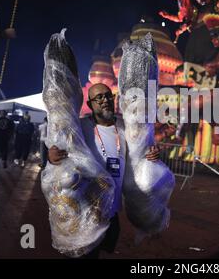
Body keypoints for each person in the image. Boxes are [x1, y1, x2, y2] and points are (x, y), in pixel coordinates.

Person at [48, 83, 160, 258]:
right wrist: (51, 156)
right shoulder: (80, 126)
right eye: (98, 97)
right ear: (89, 103)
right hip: (85, 210)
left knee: (104, 252)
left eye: (108, 95)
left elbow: (140, 152)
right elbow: (60, 148)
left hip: (112, 210)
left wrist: (151, 152)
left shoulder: (125, 127)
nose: (105, 100)